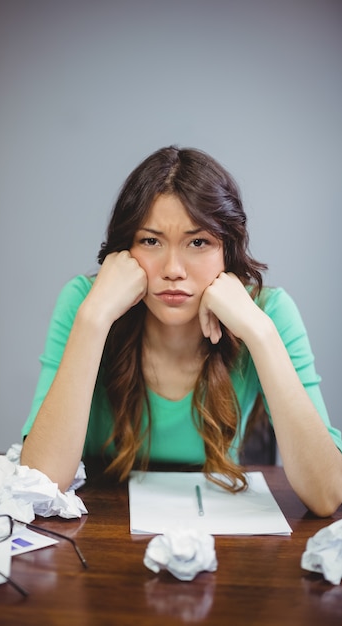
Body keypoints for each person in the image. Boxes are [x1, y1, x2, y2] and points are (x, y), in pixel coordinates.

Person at [20, 146, 342, 517]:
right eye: (151, 241)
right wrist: (94, 319)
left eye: (199, 242)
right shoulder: (84, 303)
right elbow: (40, 484)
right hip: (97, 531)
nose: (173, 269)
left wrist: (260, 333)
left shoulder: (269, 312)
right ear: (124, 251)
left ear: (228, 250)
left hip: (219, 540)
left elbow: (327, 494)